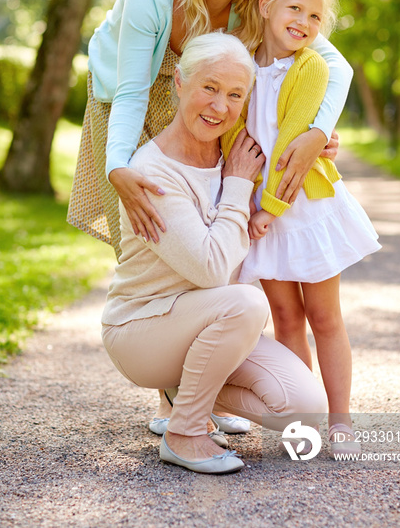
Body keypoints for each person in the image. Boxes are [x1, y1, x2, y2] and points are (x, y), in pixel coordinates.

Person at [67, 0, 351, 433]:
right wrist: (118, 167)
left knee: (204, 235)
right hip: (127, 102)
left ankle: (198, 390)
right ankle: (173, 403)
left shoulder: (255, 2)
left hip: (205, 100)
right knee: (154, 233)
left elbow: (333, 64)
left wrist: (316, 131)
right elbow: (131, 90)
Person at [101, 32, 327, 474]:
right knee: (244, 302)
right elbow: (211, 269)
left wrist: (319, 137)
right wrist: (240, 187)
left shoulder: (235, 155)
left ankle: (187, 393)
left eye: (234, 95)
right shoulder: (153, 173)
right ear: (180, 84)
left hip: (206, 327)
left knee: (304, 410)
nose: (220, 107)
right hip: (141, 330)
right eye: (209, 87)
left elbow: (317, 76)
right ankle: (184, 432)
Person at [221, 0, 381, 459]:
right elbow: (233, 133)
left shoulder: (310, 66)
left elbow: (292, 140)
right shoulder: (241, 60)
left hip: (301, 206)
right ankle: (302, 422)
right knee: (286, 319)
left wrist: (269, 207)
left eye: (315, 16)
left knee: (325, 317)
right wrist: (241, 195)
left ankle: (341, 421)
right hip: (261, 210)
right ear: (266, 6)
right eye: (295, 9)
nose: (305, 23)